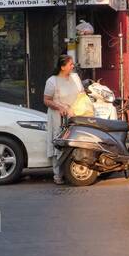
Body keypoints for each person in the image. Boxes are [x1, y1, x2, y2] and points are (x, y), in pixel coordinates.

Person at [43, 54, 92, 184]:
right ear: (62, 67)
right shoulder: (52, 81)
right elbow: (46, 100)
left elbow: (82, 95)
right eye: (70, 64)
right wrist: (59, 107)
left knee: (77, 142)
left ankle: (75, 169)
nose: (73, 66)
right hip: (58, 117)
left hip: (75, 116)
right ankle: (57, 175)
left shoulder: (75, 78)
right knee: (59, 145)